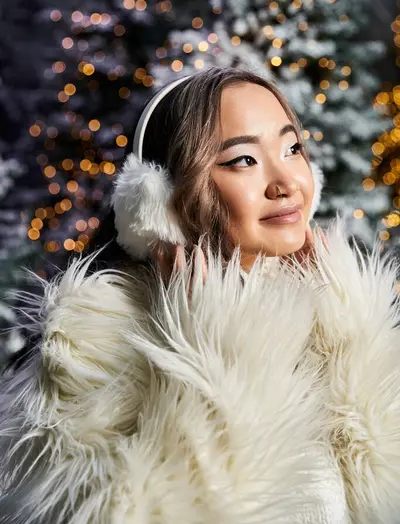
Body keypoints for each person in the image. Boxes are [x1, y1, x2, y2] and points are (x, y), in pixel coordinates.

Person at [0, 66, 399, 524]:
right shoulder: (93, 343)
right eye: (243, 160)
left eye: (292, 149)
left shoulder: (335, 321)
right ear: (158, 200)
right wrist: (212, 350)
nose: (287, 183)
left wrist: (354, 342)